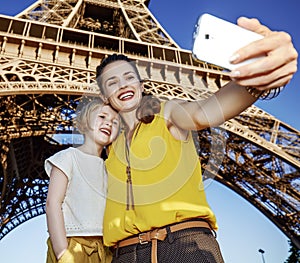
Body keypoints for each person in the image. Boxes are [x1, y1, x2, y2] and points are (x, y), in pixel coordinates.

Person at [96, 17, 298, 263]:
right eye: (112, 82)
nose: (122, 85)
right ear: (104, 95)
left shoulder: (168, 113)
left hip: (183, 245)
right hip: (124, 255)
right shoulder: (109, 146)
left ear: (140, 84)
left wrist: (261, 77)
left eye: (129, 77)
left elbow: (205, 112)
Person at [44, 97, 120, 263]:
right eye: (102, 117)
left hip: (104, 250)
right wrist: (62, 252)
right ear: (84, 123)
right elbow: (52, 203)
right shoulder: (68, 157)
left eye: (115, 122)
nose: (108, 123)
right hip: (73, 245)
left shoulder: (111, 168)